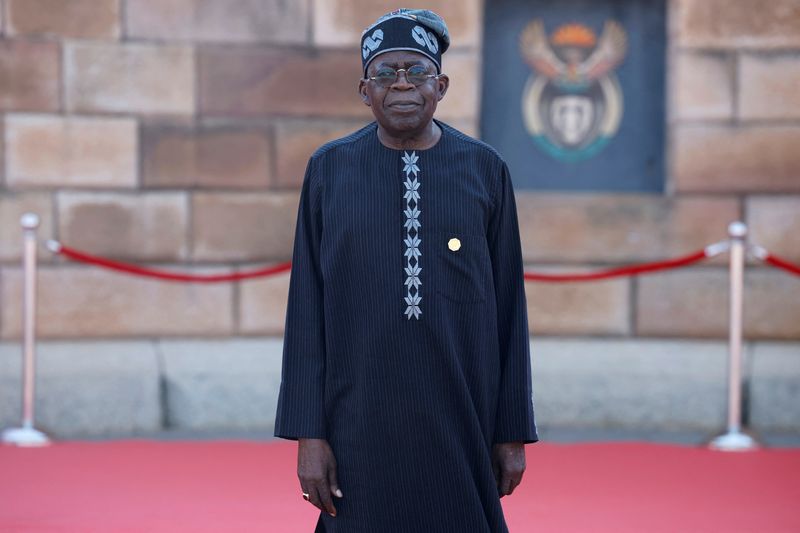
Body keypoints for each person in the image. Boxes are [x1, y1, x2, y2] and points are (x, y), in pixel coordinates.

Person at [274, 8, 538, 532]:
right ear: (363, 90)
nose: (401, 85)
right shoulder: (330, 170)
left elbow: (510, 306)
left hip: (463, 414)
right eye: (385, 73)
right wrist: (309, 435)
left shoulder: (485, 170)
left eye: (416, 72)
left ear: (440, 85)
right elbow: (306, 309)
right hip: (358, 418)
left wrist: (512, 431)